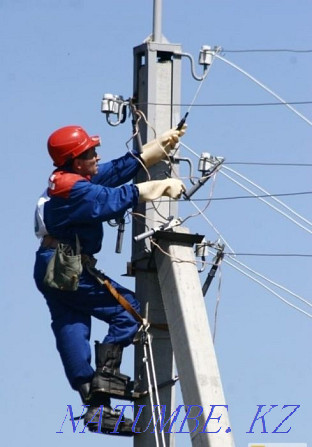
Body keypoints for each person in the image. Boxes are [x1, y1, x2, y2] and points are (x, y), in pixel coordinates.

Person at [33, 124, 186, 435]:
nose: (96, 156)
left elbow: (113, 173)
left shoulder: (69, 180)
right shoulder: (75, 190)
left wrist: (151, 151)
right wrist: (156, 187)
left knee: (72, 328)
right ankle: (104, 389)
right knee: (127, 310)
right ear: (76, 160)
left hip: (51, 265)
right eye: (91, 153)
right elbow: (112, 200)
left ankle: (96, 407)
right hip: (65, 265)